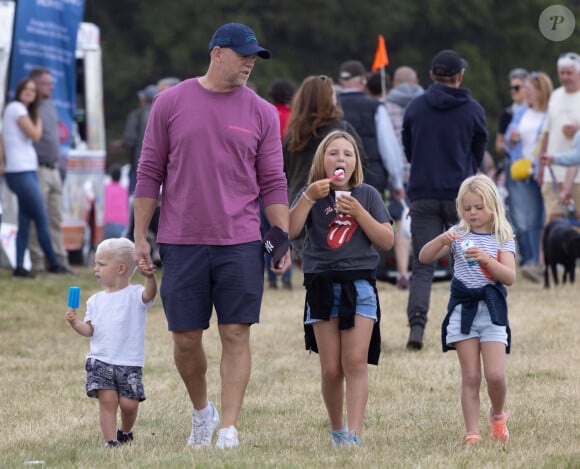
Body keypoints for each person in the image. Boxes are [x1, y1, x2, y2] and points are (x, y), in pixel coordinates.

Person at [133, 22, 291, 449]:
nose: (249, 64)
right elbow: (149, 172)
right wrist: (140, 235)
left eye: (254, 58)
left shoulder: (259, 111)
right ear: (217, 53)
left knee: (236, 332)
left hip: (240, 240)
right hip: (181, 239)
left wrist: (282, 235)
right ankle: (203, 412)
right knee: (185, 338)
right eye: (243, 56)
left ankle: (229, 428)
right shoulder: (170, 103)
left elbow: (273, 180)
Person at [289, 130, 394, 446]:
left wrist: (359, 213)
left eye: (347, 154)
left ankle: (355, 434)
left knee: (355, 362)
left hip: (359, 285)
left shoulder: (367, 195)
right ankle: (337, 431)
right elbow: (289, 231)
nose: (340, 159)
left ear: (356, 163)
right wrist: (308, 196)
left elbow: (387, 240)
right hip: (321, 286)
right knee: (331, 368)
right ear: (322, 160)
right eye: (333, 153)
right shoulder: (312, 194)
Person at [419, 174, 516, 444]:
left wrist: (487, 259)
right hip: (463, 311)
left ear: (493, 206)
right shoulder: (458, 235)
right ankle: (472, 432)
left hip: (492, 311)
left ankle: (497, 414)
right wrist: (442, 240)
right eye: (467, 208)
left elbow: (509, 276)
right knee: (471, 376)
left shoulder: (503, 237)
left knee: (495, 375)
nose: (472, 213)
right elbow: (424, 257)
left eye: (478, 207)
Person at [402, 49, 488, 350]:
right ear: (460, 76)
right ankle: (464, 328)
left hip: (423, 194)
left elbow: (408, 148)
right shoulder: (473, 109)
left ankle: (417, 325)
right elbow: (479, 150)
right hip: (461, 198)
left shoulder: (415, 107)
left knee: (422, 264)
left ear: (430, 76)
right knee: (464, 264)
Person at [65, 238, 157, 447]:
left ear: (121, 268)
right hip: (101, 359)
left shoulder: (135, 295)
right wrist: (75, 323)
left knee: (129, 404)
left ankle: (125, 432)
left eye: (101, 264)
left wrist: (150, 278)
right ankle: (111, 441)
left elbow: (150, 294)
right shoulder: (95, 300)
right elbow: (90, 330)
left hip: (129, 361)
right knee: (107, 402)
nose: (95, 268)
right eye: (95, 263)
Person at [283, 74, 367, 267]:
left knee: (314, 275)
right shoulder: (343, 131)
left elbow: (283, 173)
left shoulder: (293, 136)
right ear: (329, 98)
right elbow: (363, 163)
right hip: (336, 210)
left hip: (300, 210)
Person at [2, 77, 67, 278]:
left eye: (33, 90)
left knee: (25, 220)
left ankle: (20, 267)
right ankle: (54, 263)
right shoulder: (16, 108)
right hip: (19, 172)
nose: (30, 92)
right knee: (41, 216)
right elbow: (35, 135)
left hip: (27, 170)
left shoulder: (21, 110)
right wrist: (37, 113)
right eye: (26, 89)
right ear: (20, 90)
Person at [504, 72, 553, 282]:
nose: (526, 94)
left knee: (544, 217)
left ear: (541, 91)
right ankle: (531, 261)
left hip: (544, 170)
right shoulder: (521, 112)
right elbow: (507, 138)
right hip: (521, 170)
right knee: (524, 219)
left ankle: (542, 261)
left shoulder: (551, 113)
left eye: (529, 90)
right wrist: (511, 138)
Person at [337, 60, 405, 204]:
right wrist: (397, 181)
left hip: (339, 179)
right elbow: (387, 147)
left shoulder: (332, 106)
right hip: (372, 178)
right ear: (363, 80)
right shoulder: (375, 107)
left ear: (341, 81)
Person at [26, 68, 73, 273]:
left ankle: (59, 260)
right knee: (38, 217)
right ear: (36, 84)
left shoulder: (50, 105)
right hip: (38, 167)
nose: (51, 87)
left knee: (55, 217)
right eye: (47, 83)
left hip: (53, 168)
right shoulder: (30, 107)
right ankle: (37, 261)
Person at [384, 66, 424, 289]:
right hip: (422, 171)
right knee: (422, 220)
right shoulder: (426, 104)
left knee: (400, 223)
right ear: (416, 80)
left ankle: (402, 273)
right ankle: (422, 269)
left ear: (394, 84)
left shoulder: (385, 105)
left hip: (396, 172)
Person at [537, 52, 580, 222]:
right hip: (553, 171)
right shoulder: (555, 95)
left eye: (569, 73)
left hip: (577, 172)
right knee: (553, 222)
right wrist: (540, 167)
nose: (565, 77)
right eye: (562, 73)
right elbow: (547, 132)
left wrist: (578, 129)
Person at [263, 77, 295, 288]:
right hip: (288, 179)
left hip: (267, 180)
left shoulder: (266, 114)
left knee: (268, 230)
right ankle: (287, 275)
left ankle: (271, 277)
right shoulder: (294, 119)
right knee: (286, 227)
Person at [123, 84, 156, 195]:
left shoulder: (135, 115)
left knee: (137, 200)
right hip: (161, 168)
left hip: (139, 167)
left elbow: (129, 141)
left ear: (144, 99)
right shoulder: (166, 114)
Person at [103, 165, 129, 239]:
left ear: (110, 176)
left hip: (107, 224)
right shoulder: (124, 191)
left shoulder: (105, 189)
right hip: (122, 225)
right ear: (120, 177)